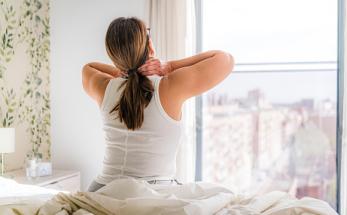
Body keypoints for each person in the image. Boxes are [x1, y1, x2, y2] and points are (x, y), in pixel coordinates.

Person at [82, 17, 234, 192]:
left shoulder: (103, 87)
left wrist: (122, 70)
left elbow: (88, 67)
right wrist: (169, 66)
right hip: (154, 192)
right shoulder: (169, 86)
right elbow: (225, 59)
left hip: (102, 189)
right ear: (150, 47)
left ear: (113, 57)